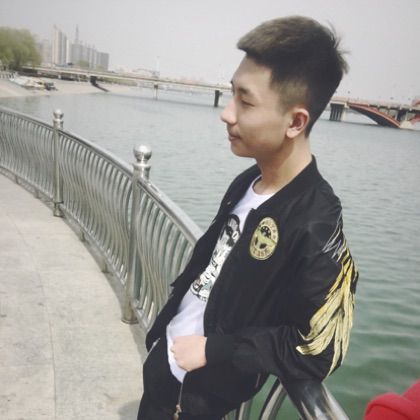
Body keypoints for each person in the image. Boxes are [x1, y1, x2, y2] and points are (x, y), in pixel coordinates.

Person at [138, 15, 359, 420]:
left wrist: (215, 349)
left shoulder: (317, 220)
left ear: (296, 121)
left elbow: (320, 348)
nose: (227, 113)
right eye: (231, 94)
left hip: (194, 405)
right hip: (162, 381)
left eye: (246, 100)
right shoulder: (248, 180)